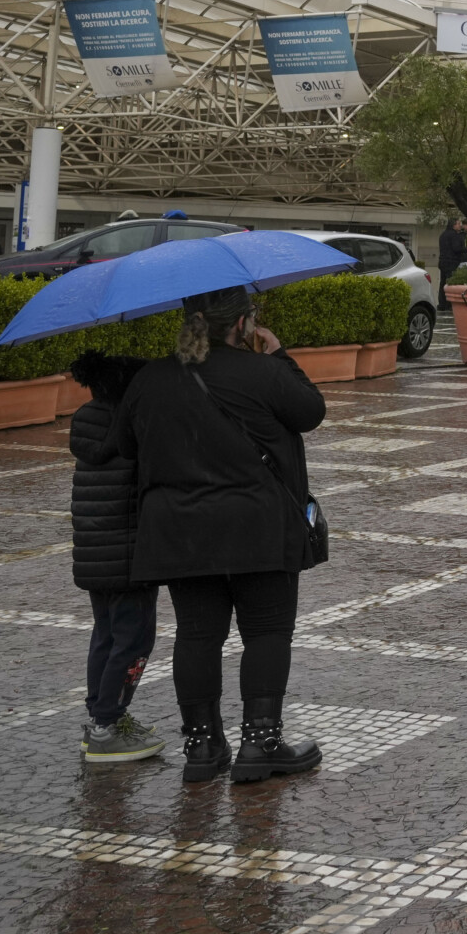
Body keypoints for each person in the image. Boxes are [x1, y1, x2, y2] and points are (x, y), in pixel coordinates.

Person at [113, 285, 328, 784]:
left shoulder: (152, 378)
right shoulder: (264, 371)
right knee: (267, 633)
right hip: (258, 527)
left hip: (180, 532)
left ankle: (202, 748)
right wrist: (281, 355)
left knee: (197, 635)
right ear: (242, 323)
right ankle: (260, 746)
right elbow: (310, 412)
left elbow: (124, 444)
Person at [68, 352, 163, 763]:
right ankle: (108, 727)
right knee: (134, 640)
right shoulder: (136, 428)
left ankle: (102, 720)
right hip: (129, 557)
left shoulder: (87, 419)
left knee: (105, 635)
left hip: (94, 555)